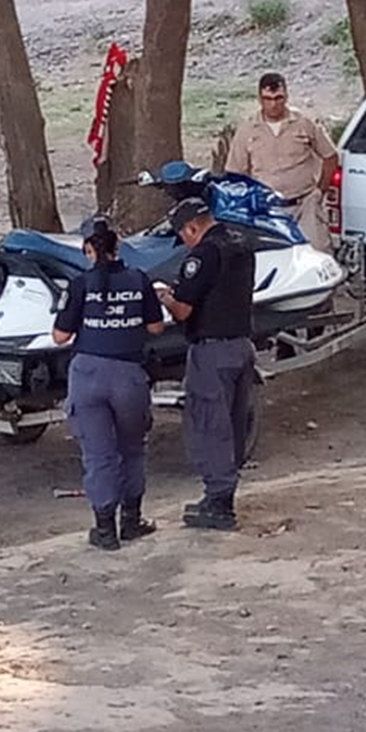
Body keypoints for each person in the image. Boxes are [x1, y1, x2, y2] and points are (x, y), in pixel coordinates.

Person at [51, 217, 165, 551]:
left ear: (88, 249)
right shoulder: (138, 279)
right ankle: (132, 522)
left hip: (87, 376)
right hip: (129, 376)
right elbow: (157, 328)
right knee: (131, 448)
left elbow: (60, 337)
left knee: (99, 455)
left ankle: (104, 531)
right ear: (118, 247)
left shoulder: (80, 284)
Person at [154, 198, 257, 531]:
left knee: (210, 425)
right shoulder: (241, 243)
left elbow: (183, 310)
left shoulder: (203, 255)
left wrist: (166, 296)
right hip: (242, 344)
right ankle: (224, 491)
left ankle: (218, 501)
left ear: (192, 227)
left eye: (183, 235)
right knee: (233, 423)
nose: (183, 241)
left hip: (212, 350)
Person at [222, 72, 340, 252]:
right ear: (259, 99)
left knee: (318, 255)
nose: (273, 104)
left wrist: (319, 192)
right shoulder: (247, 130)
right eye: (267, 99)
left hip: (305, 203)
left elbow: (330, 157)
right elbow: (235, 173)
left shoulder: (304, 123)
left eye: (278, 98)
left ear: (286, 97)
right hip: (268, 209)